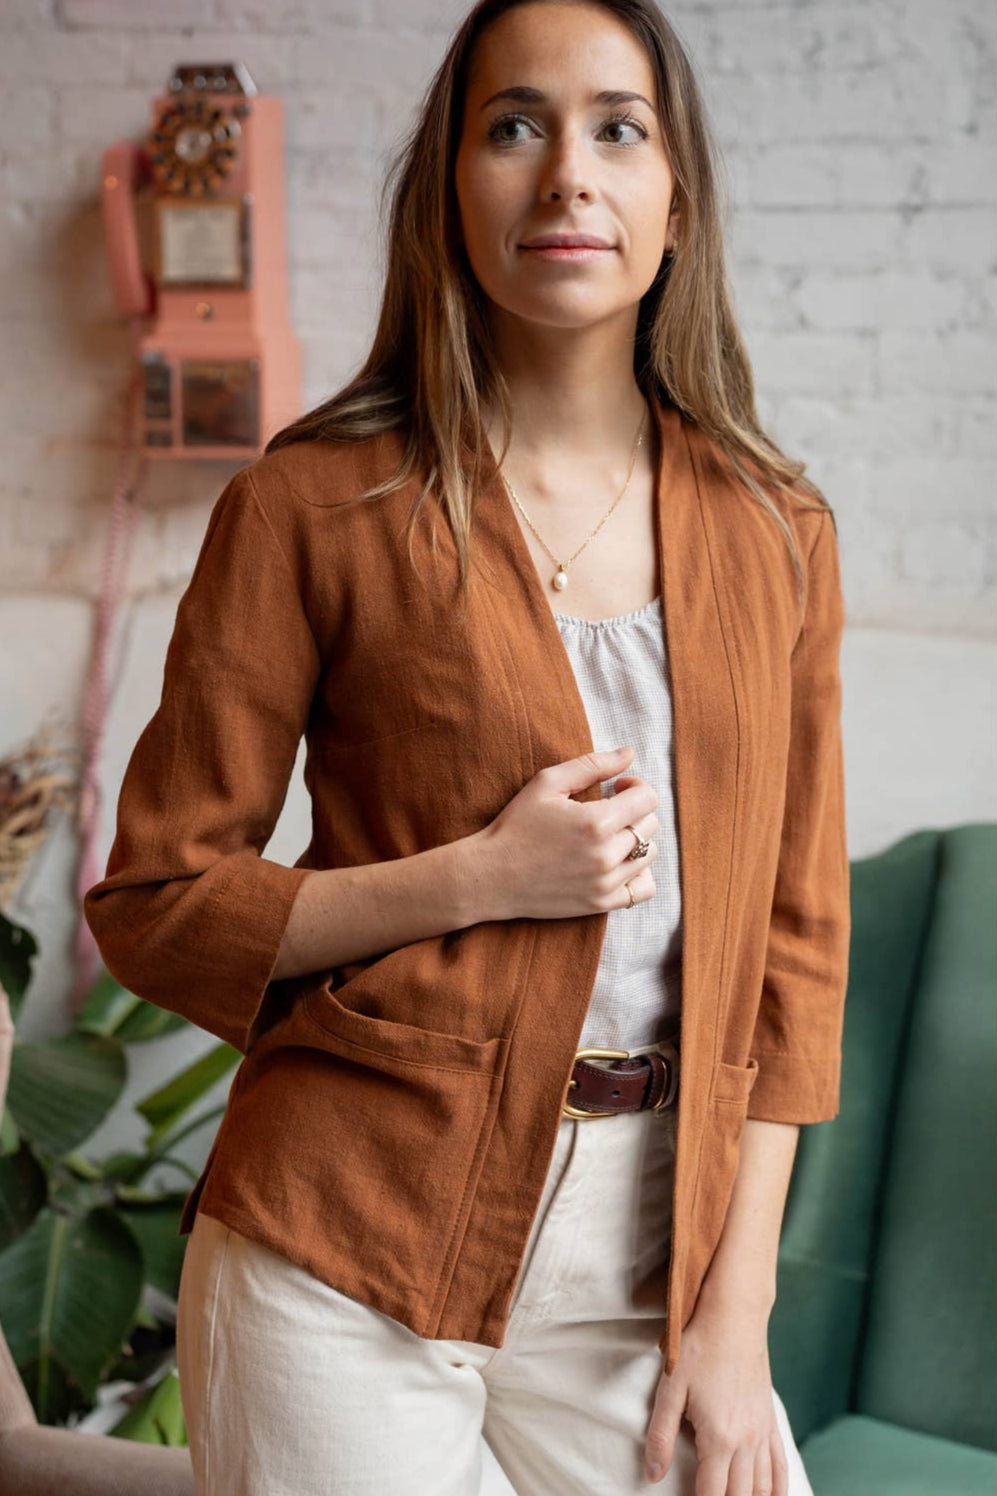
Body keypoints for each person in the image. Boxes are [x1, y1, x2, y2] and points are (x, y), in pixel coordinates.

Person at [84, 1, 850, 1493]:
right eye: (513, 127)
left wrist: (736, 1316)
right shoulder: (312, 505)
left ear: (676, 199)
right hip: (342, 1245)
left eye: (617, 129)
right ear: (449, 188)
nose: (567, 173)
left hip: (656, 1259)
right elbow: (159, 902)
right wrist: (475, 878)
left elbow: (798, 955)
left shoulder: (778, 531)